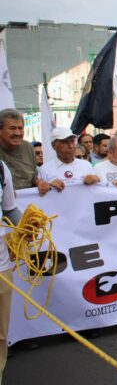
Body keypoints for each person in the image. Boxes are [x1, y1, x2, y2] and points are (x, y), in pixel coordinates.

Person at [0, 159, 24, 380]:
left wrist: (26, 227)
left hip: (1, 267)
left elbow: (9, 210)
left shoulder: (0, 167)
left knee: (0, 335)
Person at [0, 109, 50, 195]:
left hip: (26, 203)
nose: (17, 133)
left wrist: (40, 183)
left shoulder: (28, 147)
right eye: (12, 128)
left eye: (20, 128)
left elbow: (34, 178)